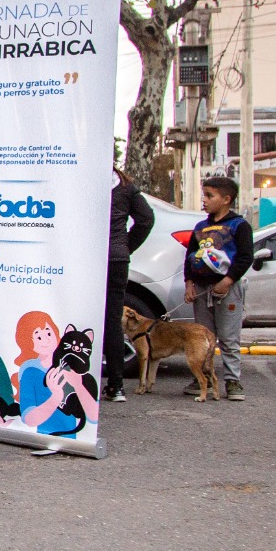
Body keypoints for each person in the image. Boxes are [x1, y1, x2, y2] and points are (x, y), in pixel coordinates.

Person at [184, 175, 253, 401]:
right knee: (202, 337)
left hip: (227, 289)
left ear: (226, 199)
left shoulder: (239, 226)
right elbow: (190, 256)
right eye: (204, 195)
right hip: (203, 289)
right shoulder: (200, 227)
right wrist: (189, 283)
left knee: (228, 337)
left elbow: (245, 258)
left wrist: (228, 281)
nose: (204, 200)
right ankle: (202, 377)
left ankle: (232, 381)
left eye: (209, 196)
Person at [103, 168, 154, 402]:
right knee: (113, 320)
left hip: (86, 259)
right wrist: (126, 246)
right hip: (117, 259)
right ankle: (116, 386)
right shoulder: (124, 185)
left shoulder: (80, 174)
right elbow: (146, 218)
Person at [13, 310, 94, 436]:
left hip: (74, 439)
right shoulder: (30, 371)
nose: (45, 340)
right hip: (41, 436)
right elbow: (29, 419)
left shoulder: (75, 367)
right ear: (28, 343)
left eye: (49, 333)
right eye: (38, 337)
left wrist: (78, 386)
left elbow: (93, 417)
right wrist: (56, 397)